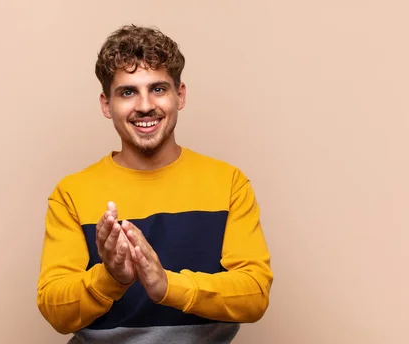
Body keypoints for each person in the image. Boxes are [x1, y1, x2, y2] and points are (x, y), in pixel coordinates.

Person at [36, 24, 274, 343]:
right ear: (107, 104)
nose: (145, 105)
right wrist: (111, 278)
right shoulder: (71, 194)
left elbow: (254, 294)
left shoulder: (229, 183)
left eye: (158, 89)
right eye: (128, 92)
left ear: (180, 95)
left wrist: (167, 287)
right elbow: (56, 311)